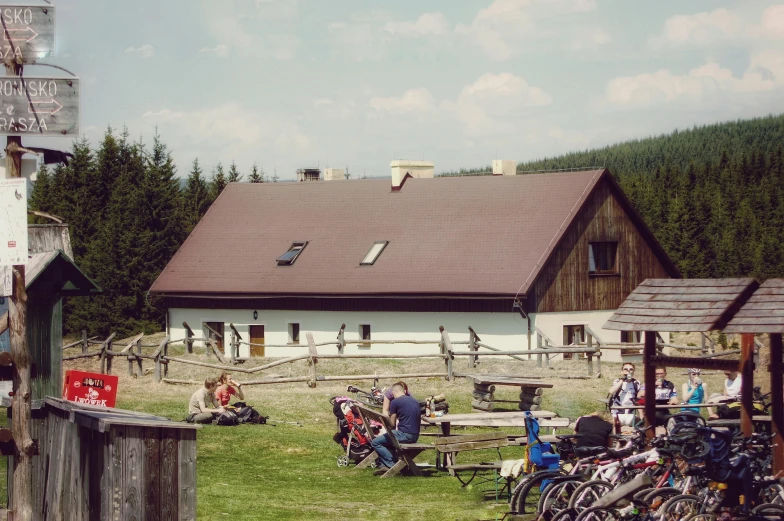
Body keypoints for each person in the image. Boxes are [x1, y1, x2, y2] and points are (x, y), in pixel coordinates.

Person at [371, 383, 420, 474]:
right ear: (404, 391)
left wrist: (384, 421)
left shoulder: (395, 402)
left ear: (393, 392)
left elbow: (392, 424)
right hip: (415, 436)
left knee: (375, 442)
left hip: (404, 434)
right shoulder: (414, 401)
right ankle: (384, 465)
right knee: (387, 441)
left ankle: (392, 464)